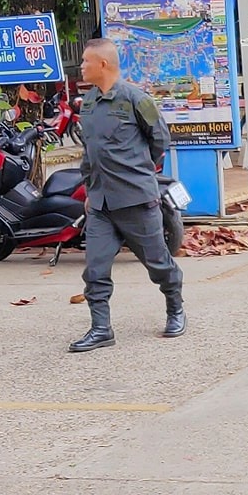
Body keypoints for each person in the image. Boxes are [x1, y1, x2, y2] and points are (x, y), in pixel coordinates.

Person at [70, 37, 184, 351]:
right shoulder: (89, 103)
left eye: (85, 61)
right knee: (95, 268)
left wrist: (137, 171)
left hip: (136, 199)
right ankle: (101, 328)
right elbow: (89, 152)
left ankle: (175, 309)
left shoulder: (136, 99)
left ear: (102, 64)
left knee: (158, 263)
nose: (81, 66)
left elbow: (160, 140)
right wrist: (90, 188)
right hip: (101, 203)